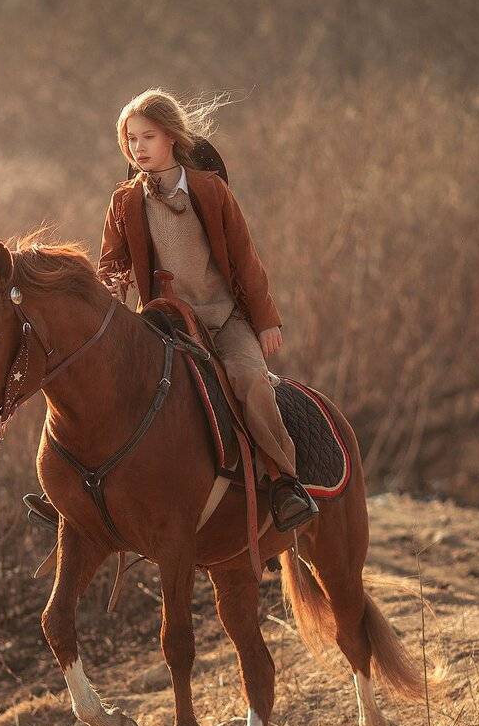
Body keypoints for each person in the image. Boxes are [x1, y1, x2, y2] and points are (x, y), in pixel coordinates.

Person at [97, 88, 317, 532]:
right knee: (111, 383)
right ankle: (89, 491)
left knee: (249, 378)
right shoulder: (124, 202)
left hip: (223, 316)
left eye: (148, 137)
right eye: (131, 139)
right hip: (162, 320)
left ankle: (284, 482)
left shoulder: (210, 191)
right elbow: (111, 262)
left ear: (172, 138)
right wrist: (112, 281)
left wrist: (266, 320)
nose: (138, 148)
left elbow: (245, 260)